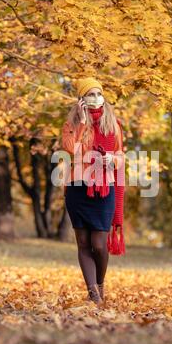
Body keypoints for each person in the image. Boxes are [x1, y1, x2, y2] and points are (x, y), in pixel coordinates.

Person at [60, 77, 125, 307]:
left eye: (98, 94)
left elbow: (120, 155)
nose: (96, 98)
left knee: (99, 244)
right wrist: (81, 122)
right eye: (90, 94)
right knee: (83, 242)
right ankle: (93, 294)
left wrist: (111, 160)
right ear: (81, 100)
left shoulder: (113, 124)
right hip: (78, 189)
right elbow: (71, 149)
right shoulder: (71, 125)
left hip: (104, 189)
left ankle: (100, 284)